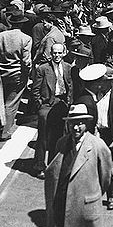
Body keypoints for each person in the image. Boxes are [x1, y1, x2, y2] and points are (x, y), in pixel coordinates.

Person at [44, 103, 112, 227]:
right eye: (72, 123)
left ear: (86, 124)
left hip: (85, 205)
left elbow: (106, 178)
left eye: (80, 123)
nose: (76, 127)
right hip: (62, 204)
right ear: (67, 124)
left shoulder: (97, 145)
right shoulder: (62, 143)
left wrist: (91, 194)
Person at [78, 63, 113, 210]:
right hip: (95, 134)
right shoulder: (91, 96)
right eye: (101, 81)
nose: (103, 84)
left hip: (110, 136)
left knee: (111, 169)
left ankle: (112, 196)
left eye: (106, 81)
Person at [32, 43, 73, 179]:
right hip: (47, 105)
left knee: (58, 135)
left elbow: (70, 86)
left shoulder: (67, 67)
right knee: (43, 136)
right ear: (50, 53)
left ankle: (53, 165)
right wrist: (40, 105)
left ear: (64, 53)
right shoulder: (43, 69)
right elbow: (35, 90)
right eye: (54, 53)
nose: (57, 55)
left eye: (59, 53)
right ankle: (39, 166)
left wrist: (68, 102)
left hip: (61, 104)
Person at [0, 11, 33, 140]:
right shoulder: (26, 39)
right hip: (17, 74)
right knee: (11, 103)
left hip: (0, 72)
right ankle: (5, 131)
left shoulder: (0, 36)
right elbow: (26, 61)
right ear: (22, 24)